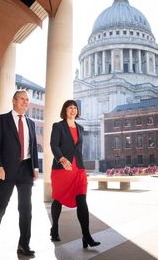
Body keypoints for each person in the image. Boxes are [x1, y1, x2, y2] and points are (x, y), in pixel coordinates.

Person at [0, 90, 39, 257]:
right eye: (22, 99)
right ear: (14, 101)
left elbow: (34, 147)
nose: (25, 102)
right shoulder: (1, 120)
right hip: (6, 170)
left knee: (26, 209)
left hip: (25, 170)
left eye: (27, 100)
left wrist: (35, 167)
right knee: (1, 203)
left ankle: (24, 244)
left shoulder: (31, 123)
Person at [49, 100, 101, 248]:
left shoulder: (80, 128)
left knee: (82, 200)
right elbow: (54, 145)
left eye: (75, 108)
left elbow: (78, 149)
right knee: (58, 199)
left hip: (78, 169)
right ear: (65, 110)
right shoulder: (58, 126)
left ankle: (87, 236)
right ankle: (54, 228)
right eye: (69, 108)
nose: (72, 110)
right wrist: (61, 158)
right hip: (62, 169)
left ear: (77, 111)